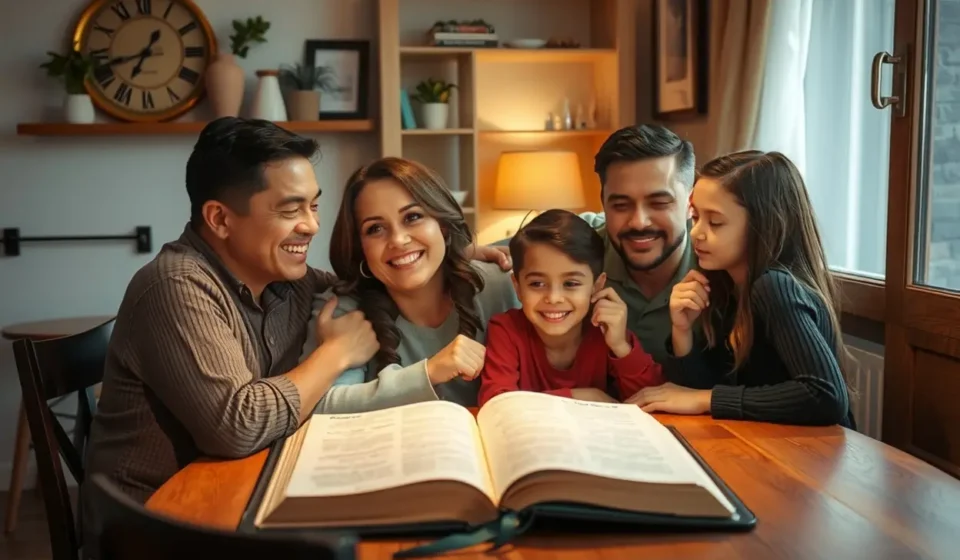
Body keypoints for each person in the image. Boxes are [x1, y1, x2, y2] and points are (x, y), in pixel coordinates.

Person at [80, 117, 379, 557]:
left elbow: (365, 285)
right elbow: (237, 428)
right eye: (290, 209)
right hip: (154, 532)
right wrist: (335, 353)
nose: (312, 226)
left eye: (314, 206)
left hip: (236, 498)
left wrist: (450, 258)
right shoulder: (174, 286)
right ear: (219, 219)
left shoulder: (285, 277)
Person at [627, 150, 855, 428]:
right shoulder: (725, 285)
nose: (696, 232)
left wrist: (705, 399)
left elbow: (826, 397)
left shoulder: (775, 287)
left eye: (716, 222)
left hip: (816, 457)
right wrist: (682, 330)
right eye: (696, 217)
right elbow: (696, 391)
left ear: (763, 224)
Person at [299, 157, 520, 410]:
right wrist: (429, 372)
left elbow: (572, 232)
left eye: (413, 217)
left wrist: (459, 251)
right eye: (375, 229)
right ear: (360, 247)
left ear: (443, 226)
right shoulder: (342, 310)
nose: (399, 240)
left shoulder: (503, 285)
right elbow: (318, 406)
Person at [477, 209, 664, 407]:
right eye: (537, 284)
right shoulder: (506, 330)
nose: (554, 298)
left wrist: (621, 347)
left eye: (571, 284)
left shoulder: (605, 331)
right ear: (518, 287)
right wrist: (583, 396)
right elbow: (496, 403)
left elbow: (651, 400)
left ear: (597, 286)